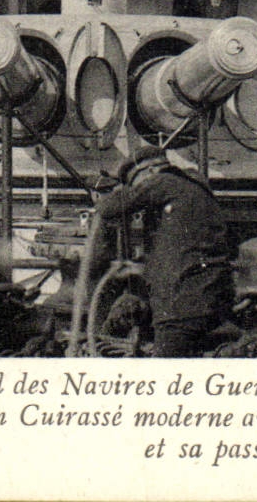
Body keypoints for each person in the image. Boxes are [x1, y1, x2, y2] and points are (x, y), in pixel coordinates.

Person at [95, 144, 233, 357]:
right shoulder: (195, 186)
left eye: (136, 184)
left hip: (182, 308)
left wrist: (108, 195)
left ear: (150, 172)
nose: (139, 192)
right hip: (212, 298)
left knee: (164, 374)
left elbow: (108, 208)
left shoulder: (163, 182)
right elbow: (184, 247)